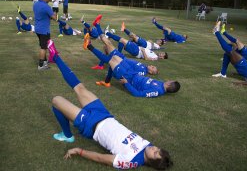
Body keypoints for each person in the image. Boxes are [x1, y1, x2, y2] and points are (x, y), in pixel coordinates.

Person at [46, 39, 173, 170]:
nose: (154, 148)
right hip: (104, 114)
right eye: (158, 148)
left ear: (152, 161)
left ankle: (67, 135)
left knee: (57, 100)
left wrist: (80, 151)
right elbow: (152, 150)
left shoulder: (130, 161)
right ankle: (55, 57)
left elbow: (102, 159)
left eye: (155, 153)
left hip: (91, 125)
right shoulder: (147, 145)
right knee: (80, 88)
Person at [83, 17, 180, 97]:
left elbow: (138, 94)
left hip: (127, 76)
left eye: (153, 68)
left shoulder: (157, 90)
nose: (152, 66)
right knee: (109, 50)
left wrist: (126, 83)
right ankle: (106, 81)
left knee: (110, 57)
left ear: (169, 84)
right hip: (129, 70)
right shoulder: (161, 84)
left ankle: (89, 45)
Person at [33, 0, 57, 70]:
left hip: (37, 29)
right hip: (44, 30)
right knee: (43, 47)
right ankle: (41, 65)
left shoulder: (35, 4)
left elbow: (42, 15)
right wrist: (55, 12)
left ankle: (45, 61)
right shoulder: (46, 7)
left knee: (44, 45)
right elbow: (54, 18)